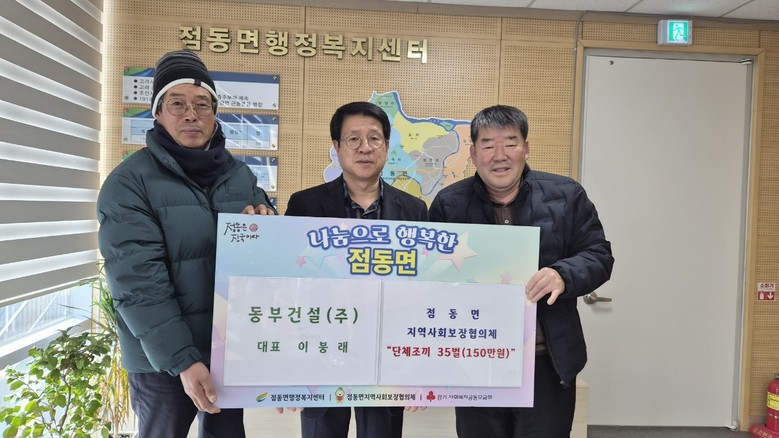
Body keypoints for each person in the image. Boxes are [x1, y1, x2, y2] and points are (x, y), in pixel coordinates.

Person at [97, 50, 277, 438]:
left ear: (215, 114)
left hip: (228, 349)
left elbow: (265, 250)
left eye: (202, 104)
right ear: (158, 114)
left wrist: (266, 224)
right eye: (177, 104)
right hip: (162, 363)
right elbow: (138, 285)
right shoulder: (129, 183)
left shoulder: (239, 175)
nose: (191, 115)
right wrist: (181, 360)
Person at [428, 105, 614, 438]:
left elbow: (598, 255)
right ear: (473, 153)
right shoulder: (448, 204)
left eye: (510, 143)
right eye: (488, 145)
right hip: (477, 361)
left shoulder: (567, 196)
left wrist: (562, 274)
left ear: (526, 148)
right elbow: (430, 278)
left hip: (546, 362)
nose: (499, 155)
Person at [285, 101, 428, 438]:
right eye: (353, 139)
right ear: (336, 147)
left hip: (387, 357)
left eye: (374, 138)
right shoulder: (304, 205)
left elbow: (423, 293)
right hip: (321, 353)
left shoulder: (414, 210)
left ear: (386, 146)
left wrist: (419, 368)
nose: (365, 148)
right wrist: (287, 366)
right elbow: (289, 287)